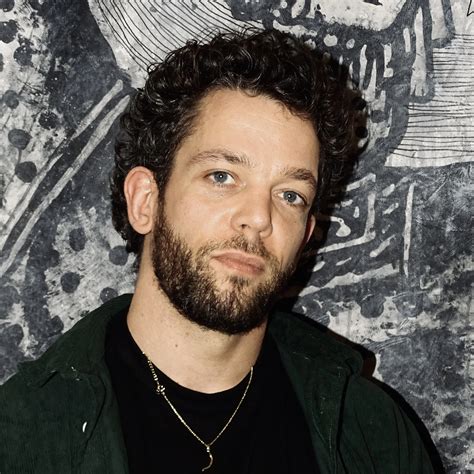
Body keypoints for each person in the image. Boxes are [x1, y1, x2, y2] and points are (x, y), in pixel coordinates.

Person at [0, 29, 433, 473]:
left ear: (306, 236)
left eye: (290, 195)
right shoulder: (24, 436)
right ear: (146, 201)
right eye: (222, 176)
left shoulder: (371, 433)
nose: (259, 217)